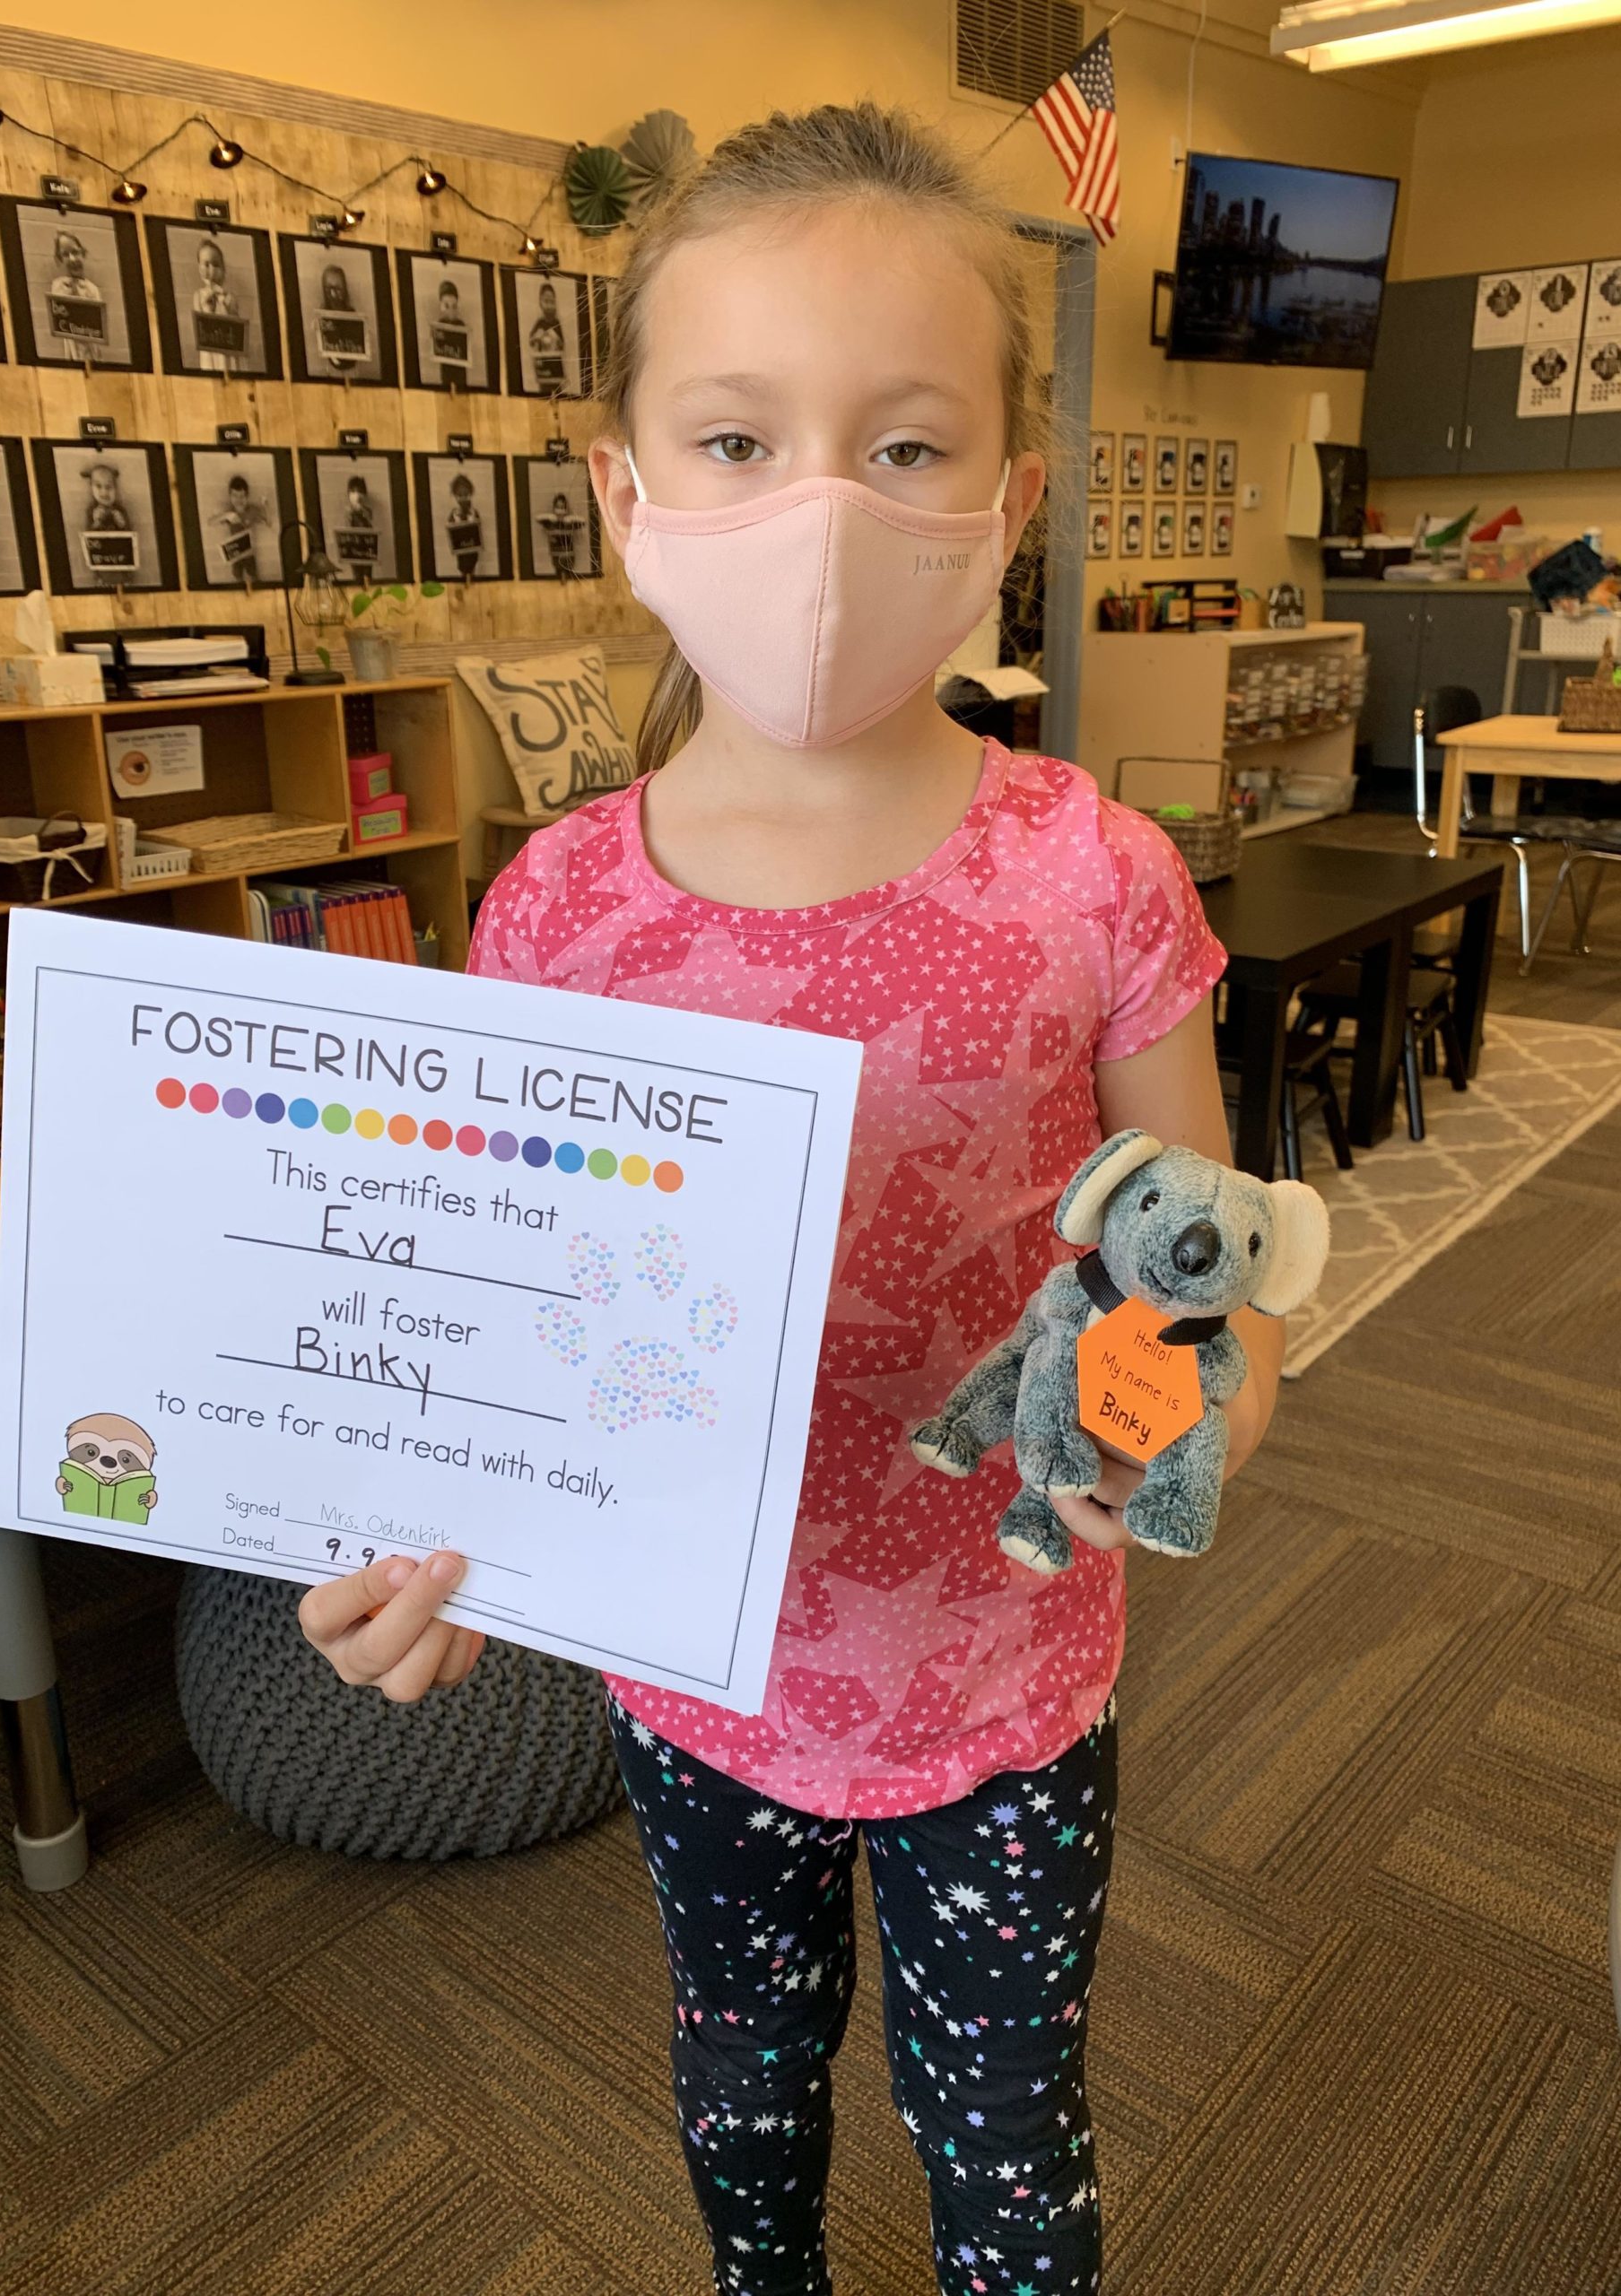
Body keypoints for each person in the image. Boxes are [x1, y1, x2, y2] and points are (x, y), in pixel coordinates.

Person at [299, 100, 1280, 2296]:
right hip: (692, 1683)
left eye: (906, 444)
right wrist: (426, 1529)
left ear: (1010, 497)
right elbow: (497, 1313)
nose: (821, 509)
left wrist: (1175, 1404)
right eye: (737, 441)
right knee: (744, 2103)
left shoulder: (1092, 872)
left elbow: (1204, 1265)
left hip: (1005, 1681)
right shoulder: (555, 909)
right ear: (624, 491)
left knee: (1007, 2145)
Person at [190, 236, 243, 374]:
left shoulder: (230, 296)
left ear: (223, 269)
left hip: (227, 348)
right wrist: (207, 306)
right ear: (199, 268)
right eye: (206, 264)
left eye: (216, 264)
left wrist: (225, 302)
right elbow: (200, 325)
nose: (212, 269)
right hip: (210, 351)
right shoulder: (198, 295)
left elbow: (236, 328)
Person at [528, 276, 566, 392]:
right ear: (540, 302)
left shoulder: (557, 323)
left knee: (558, 391)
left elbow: (562, 345)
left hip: (556, 366)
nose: (549, 305)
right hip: (543, 367)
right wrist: (537, 337)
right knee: (544, 392)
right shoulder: (540, 323)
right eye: (546, 301)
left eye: (552, 302)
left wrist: (555, 338)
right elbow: (531, 341)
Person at [445, 468, 482, 578]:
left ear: (470, 494)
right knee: (462, 569)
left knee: (472, 567)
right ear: (456, 496)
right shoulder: (454, 513)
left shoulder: (474, 512)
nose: (463, 498)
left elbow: (477, 528)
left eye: (466, 494)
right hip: (461, 551)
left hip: (472, 549)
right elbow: (450, 528)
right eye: (460, 495)